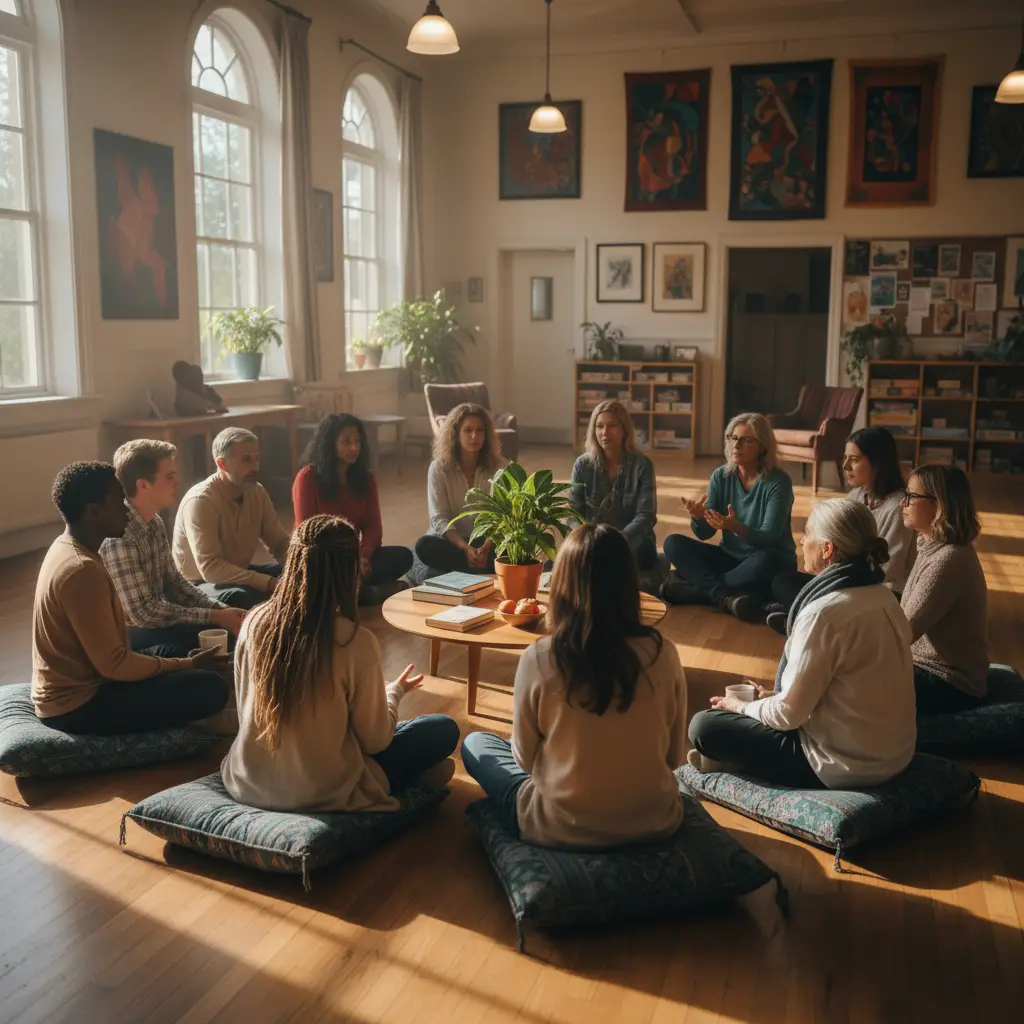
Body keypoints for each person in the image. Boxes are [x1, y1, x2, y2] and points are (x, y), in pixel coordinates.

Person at [461, 523, 688, 847]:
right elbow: (674, 759)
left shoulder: (539, 657)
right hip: (656, 819)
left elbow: (523, 760)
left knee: (476, 744)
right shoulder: (665, 654)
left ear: (561, 585)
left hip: (559, 827)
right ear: (629, 583)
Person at [221, 515, 460, 812]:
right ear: (349, 571)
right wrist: (393, 693)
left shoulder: (253, 622)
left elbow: (246, 713)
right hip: (323, 791)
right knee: (440, 729)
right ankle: (419, 780)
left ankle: (423, 778)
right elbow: (374, 741)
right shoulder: (354, 641)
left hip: (246, 782)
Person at [688, 498, 916, 790]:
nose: (801, 540)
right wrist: (774, 697)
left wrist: (740, 708)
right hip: (897, 755)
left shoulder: (824, 614)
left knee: (705, 726)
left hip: (845, 765)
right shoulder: (886, 598)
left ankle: (733, 765)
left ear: (827, 549)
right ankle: (733, 760)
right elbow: (852, 683)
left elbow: (788, 716)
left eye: (808, 533)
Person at [33, 462, 228, 734]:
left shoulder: (70, 547)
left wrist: (183, 662)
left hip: (98, 678)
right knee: (210, 688)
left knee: (180, 649)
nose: (126, 508)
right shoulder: (81, 571)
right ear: (93, 510)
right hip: (79, 705)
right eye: (119, 501)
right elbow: (115, 665)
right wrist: (189, 665)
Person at [100, 440, 245, 657]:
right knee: (196, 644)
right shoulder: (119, 536)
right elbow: (144, 614)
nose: (177, 482)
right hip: (128, 633)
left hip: (156, 619)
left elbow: (173, 581)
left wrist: (220, 610)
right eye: (169, 476)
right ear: (143, 485)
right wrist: (214, 617)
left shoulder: (154, 521)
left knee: (233, 604)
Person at [765, 426, 916, 634]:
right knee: (782, 581)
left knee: (811, 593)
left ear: (878, 464)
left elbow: (889, 569)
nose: (846, 466)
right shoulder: (855, 496)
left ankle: (798, 619)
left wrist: (837, 574)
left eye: (854, 459)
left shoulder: (897, 507)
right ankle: (801, 616)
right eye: (845, 458)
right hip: (847, 579)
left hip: (880, 592)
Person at [662, 412, 796, 620]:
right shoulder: (721, 476)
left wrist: (736, 528)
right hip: (731, 558)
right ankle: (724, 596)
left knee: (766, 560)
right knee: (672, 543)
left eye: (746, 440)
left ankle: (698, 589)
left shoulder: (778, 482)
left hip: (767, 559)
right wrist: (698, 518)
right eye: (733, 438)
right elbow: (705, 534)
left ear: (762, 446)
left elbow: (770, 538)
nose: (737, 445)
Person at [292, 413, 413, 604]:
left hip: (356, 555)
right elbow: (305, 534)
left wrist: (362, 557)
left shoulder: (366, 478)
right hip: (322, 557)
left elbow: (373, 528)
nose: (354, 447)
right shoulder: (307, 478)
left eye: (357, 441)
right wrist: (347, 562)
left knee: (404, 556)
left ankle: (349, 593)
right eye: (346, 442)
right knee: (312, 573)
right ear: (330, 444)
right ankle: (365, 593)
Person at [899, 465, 989, 715]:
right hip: (923, 666)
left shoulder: (948, 560)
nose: (902, 503)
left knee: (855, 682)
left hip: (950, 681)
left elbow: (903, 632)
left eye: (911, 497)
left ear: (939, 504)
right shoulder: (930, 544)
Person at [172, 427, 291, 610]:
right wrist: (269, 584)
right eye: (246, 460)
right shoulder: (201, 501)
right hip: (197, 584)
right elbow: (211, 569)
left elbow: (279, 543)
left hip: (236, 573)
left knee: (293, 574)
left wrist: (302, 566)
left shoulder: (257, 492)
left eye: (256, 459)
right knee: (246, 598)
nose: (255, 467)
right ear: (222, 464)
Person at [414, 403, 504, 574]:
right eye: (467, 430)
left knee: (519, 549)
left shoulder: (500, 468)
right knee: (424, 546)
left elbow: (502, 517)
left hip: (487, 542)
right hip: (452, 542)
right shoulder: (438, 468)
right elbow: (439, 518)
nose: (474, 436)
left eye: (480, 430)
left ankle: (457, 571)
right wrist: (465, 548)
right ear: (455, 434)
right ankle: (480, 569)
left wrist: (485, 548)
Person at [569, 400, 657, 569]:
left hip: (631, 544)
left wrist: (616, 542)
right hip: (592, 542)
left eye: (612, 426)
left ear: (624, 429)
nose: (604, 432)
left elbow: (645, 516)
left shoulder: (642, 465)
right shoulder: (583, 464)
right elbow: (573, 514)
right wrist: (587, 540)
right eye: (599, 426)